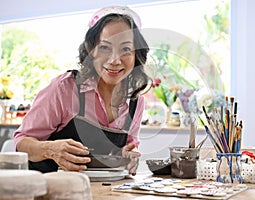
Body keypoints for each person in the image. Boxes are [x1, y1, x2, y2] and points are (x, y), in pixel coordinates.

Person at [14, 5, 153, 175]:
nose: (115, 60)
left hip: (95, 189)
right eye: (104, 47)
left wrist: (128, 156)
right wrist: (49, 149)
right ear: (90, 50)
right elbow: (22, 143)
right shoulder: (64, 88)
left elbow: (127, 149)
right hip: (44, 187)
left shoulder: (135, 100)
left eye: (125, 49)